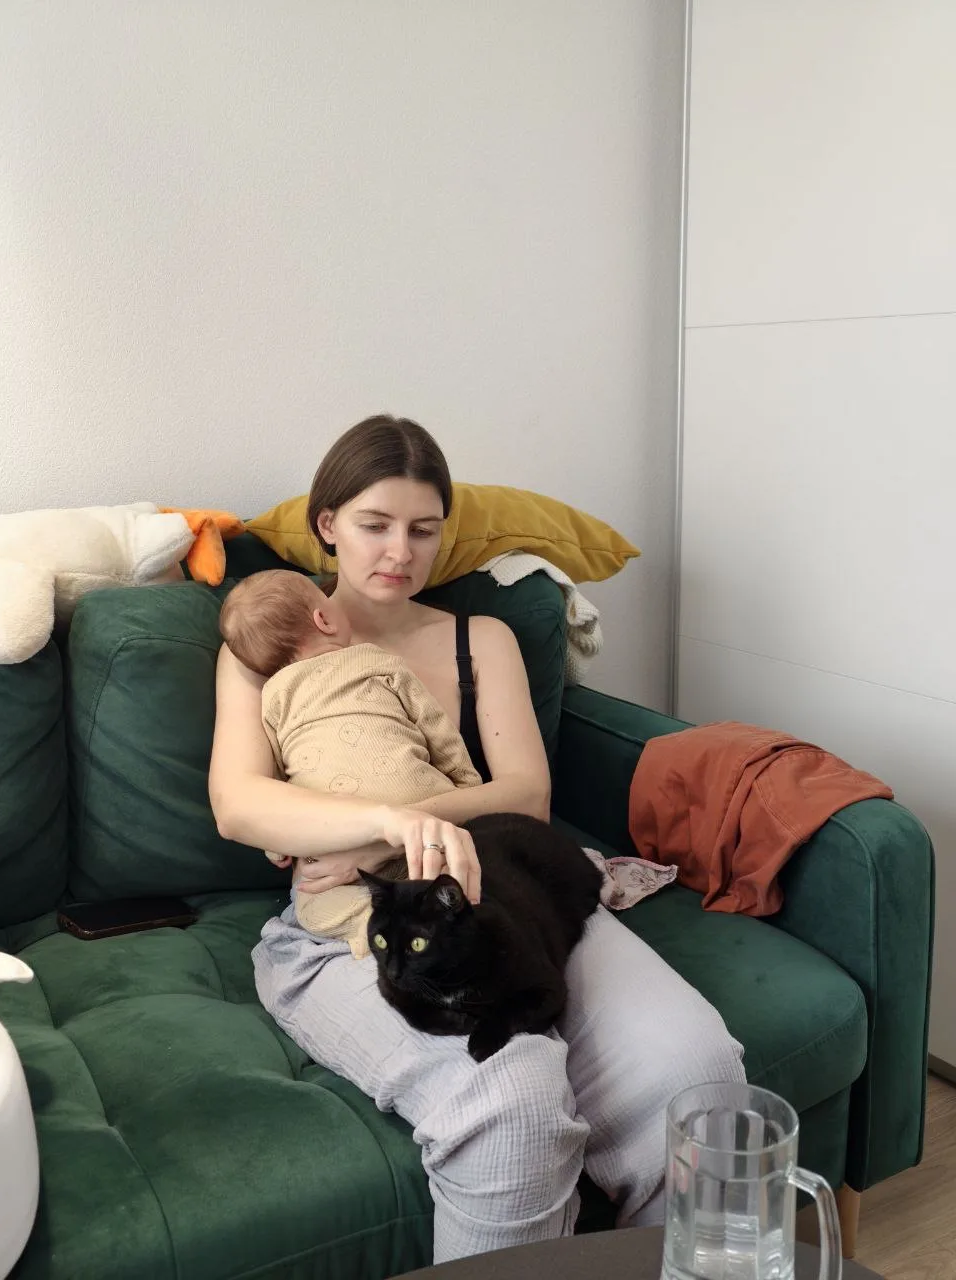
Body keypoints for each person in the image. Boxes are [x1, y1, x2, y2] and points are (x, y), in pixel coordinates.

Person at [208, 414, 745, 1264]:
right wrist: (385, 827)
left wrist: (400, 825)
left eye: (423, 530)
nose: (400, 552)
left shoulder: (480, 639)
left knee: (697, 1071)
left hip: (498, 892)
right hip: (353, 924)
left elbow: (526, 795)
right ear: (327, 525)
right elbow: (240, 805)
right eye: (375, 525)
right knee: (514, 1101)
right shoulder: (264, 646)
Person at [218, 569, 482, 957]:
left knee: (315, 904)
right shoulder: (377, 661)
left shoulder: (273, 696)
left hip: (334, 845)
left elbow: (275, 777)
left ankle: (369, 928)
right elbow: (435, 728)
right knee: (450, 872)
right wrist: (465, 781)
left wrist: (277, 844)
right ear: (324, 619)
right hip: (425, 820)